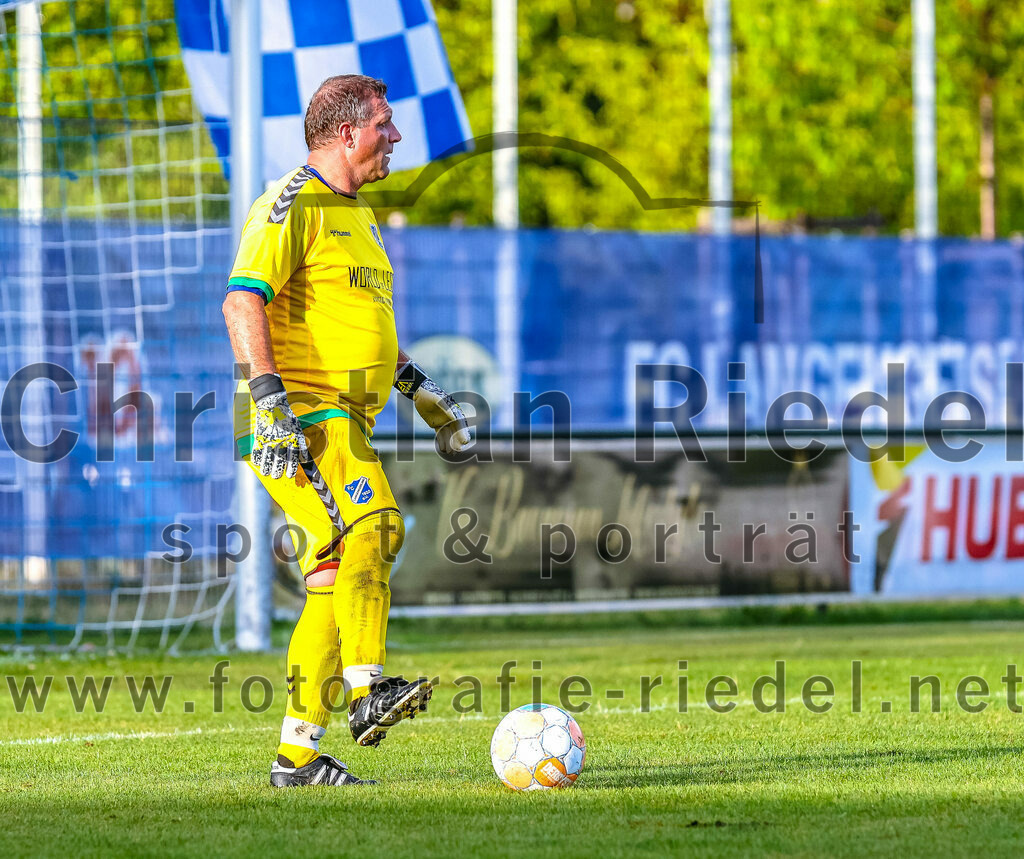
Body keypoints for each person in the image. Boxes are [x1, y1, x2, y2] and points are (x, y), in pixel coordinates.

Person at [222, 74, 471, 788]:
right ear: (345, 133)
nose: (395, 136)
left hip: (340, 414)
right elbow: (242, 303)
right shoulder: (290, 201)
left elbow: (359, 326)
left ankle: (297, 759)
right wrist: (269, 401)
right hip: (299, 411)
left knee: (331, 577)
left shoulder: (357, 215)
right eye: (385, 124)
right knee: (378, 524)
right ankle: (369, 692)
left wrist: (418, 387)